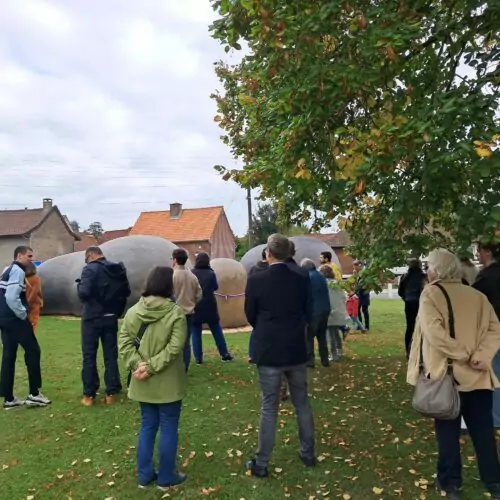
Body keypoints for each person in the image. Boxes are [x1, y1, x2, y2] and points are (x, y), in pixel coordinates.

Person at [407, 249, 500, 500]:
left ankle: (450, 484)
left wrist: (464, 354)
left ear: (437, 269)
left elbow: (434, 334)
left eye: (429, 266)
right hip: (478, 375)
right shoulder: (476, 295)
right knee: (483, 432)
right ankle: (493, 482)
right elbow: (495, 329)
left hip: (447, 376)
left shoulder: (431, 294)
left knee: (448, 433)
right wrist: (481, 355)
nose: (427, 271)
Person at [244, 234, 315, 477]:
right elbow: (308, 311)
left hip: (270, 348)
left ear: (269, 253)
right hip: (295, 347)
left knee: (269, 406)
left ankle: (262, 462)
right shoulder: (302, 277)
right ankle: (308, 453)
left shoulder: (257, 279)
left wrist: (266, 329)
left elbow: (250, 314)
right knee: (301, 402)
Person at [119, 266, 188, 491]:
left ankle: (145, 474)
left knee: (148, 426)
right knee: (167, 427)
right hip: (166, 381)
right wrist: (146, 367)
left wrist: (139, 366)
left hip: (143, 379)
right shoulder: (176, 313)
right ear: (169, 285)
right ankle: (166, 477)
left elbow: (124, 344)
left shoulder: (132, 312)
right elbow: (175, 348)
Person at [77, 246, 131, 406]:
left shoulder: (90, 269)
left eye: (86, 259)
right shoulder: (118, 269)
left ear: (91, 255)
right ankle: (111, 392)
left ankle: (89, 394)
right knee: (110, 355)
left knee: (89, 355)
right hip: (111, 316)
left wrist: (79, 285)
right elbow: (126, 292)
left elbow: (84, 293)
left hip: (92, 317)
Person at [0, 246, 51, 409]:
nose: (31, 259)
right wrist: (22, 314)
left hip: (4, 319)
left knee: (9, 356)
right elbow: (11, 297)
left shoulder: (7, 270)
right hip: (15, 319)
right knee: (33, 351)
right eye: (29, 256)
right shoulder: (18, 271)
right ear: (19, 255)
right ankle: (34, 394)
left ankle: (8, 398)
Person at [473, 242, 500, 428]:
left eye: (479, 251)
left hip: (494, 330)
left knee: (495, 372)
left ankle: (496, 418)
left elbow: (471, 300)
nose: (477, 255)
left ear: (488, 252)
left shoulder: (487, 276)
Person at [191, 252, 233, 364]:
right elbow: (215, 287)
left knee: (196, 331)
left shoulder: (192, 273)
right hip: (210, 304)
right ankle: (224, 354)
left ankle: (198, 358)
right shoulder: (211, 273)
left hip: (196, 304)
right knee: (216, 330)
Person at [171, 248, 202, 372]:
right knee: (185, 342)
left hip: (174, 313)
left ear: (175, 260)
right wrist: (192, 303)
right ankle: (184, 367)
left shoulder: (172, 275)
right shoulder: (192, 276)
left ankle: (174, 367)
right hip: (189, 313)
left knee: (173, 341)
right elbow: (199, 294)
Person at [301, 259, 331, 368]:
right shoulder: (321, 276)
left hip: (314, 311)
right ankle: (325, 360)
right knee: (321, 336)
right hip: (325, 309)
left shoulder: (308, 278)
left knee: (309, 337)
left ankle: (310, 361)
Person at [398, 259, 426, 359]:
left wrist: (406, 298)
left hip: (409, 303)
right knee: (423, 327)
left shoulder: (404, 277)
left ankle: (408, 350)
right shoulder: (424, 277)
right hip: (421, 303)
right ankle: (422, 351)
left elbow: (400, 292)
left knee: (410, 327)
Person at [319, 265, 346, 361]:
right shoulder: (337, 283)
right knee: (335, 331)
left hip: (329, 311)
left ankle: (334, 353)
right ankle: (339, 350)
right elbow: (343, 297)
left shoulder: (323, 284)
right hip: (338, 310)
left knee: (330, 333)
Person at [248, 248, 269, 363]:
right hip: (267, 304)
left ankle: (252, 354)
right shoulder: (270, 270)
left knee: (256, 329)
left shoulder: (254, 269)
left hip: (255, 303)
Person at [25, 262, 44, 333]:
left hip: (23, 303)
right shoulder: (36, 278)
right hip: (33, 303)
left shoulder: (22, 278)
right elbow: (35, 292)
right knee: (33, 322)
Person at [353, 260, 370, 331]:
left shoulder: (365, 273)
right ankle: (360, 325)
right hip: (358, 294)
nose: (354, 268)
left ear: (359, 265)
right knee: (357, 310)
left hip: (364, 294)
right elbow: (355, 283)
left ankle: (367, 326)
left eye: (355, 266)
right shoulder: (356, 273)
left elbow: (367, 283)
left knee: (364, 310)